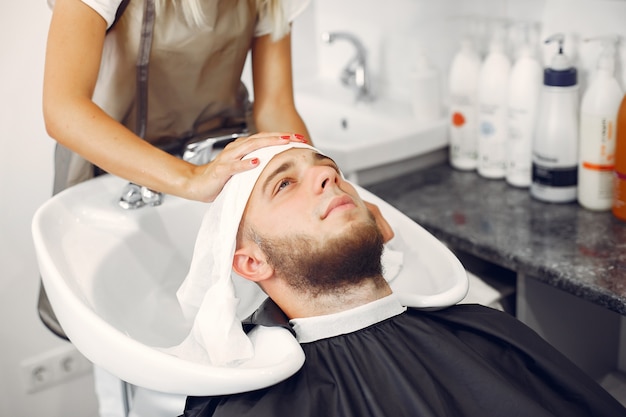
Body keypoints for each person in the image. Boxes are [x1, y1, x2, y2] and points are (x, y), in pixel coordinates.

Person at [180, 144, 625, 417]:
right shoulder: (253, 408)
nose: (326, 175)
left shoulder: (489, 334)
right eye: (283, 185)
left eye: (326, 167)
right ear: (252, 263)